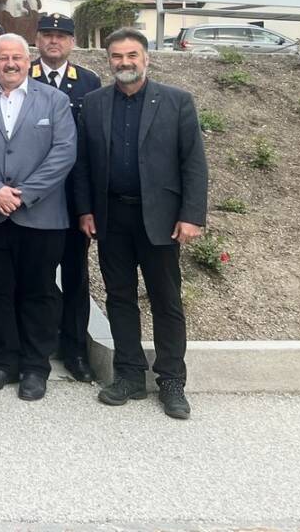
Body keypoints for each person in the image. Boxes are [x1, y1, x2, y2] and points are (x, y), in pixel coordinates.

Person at [73, 27, 208, 420]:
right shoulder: (94, 103)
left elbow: (194, 163)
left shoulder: (177, 102)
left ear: (145, 58)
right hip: (111, 217)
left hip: (162, 220)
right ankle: (129, 374)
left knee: (166, 301)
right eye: (117, 56)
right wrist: (85, 210)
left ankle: (171, 381)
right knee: (119, 298)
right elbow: (82, 164)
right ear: (109, 60)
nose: (124, 62)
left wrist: (190, 215)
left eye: (132, 55)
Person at [0, 33, 77, 400]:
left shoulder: (55, 99)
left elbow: (64, 153)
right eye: (3, 57)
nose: (10, 64)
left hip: (40, 216)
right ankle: (4, 362)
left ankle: (36, 368)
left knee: (38, 293)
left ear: (29, 61)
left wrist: (23, 196)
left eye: (17, 58)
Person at [30, 13, 102, 383]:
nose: (54, 41)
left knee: (75, 276)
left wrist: (88, 206)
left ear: (72, 42)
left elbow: (91, 147)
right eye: (47, 35)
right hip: (37, 196)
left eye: (61, 36)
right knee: (37, 276)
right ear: (37, 39)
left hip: (74, 196)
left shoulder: (88, 82)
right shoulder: (23, 77)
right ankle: (39, 346)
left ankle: (74, 349)